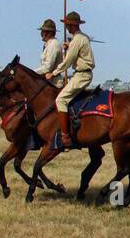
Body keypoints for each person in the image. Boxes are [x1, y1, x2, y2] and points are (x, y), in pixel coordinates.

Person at [54, 11, 95, 149]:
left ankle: (65, 135)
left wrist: (53, 73)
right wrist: (69, 46)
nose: (66, 27)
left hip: (82, 75)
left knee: (61, 100)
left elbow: (67, 62)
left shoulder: (77, 40)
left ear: (72, 25)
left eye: (67, 25)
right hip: (83, 73)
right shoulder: (79, 38)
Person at [36, 19, 65, 87]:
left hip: (54, 83)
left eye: (42, 32)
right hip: (48, 82)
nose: (41, 34)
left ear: (48, 33)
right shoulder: (48, 45)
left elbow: (47, 67)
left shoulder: (53, 45)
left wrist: (31, 72)